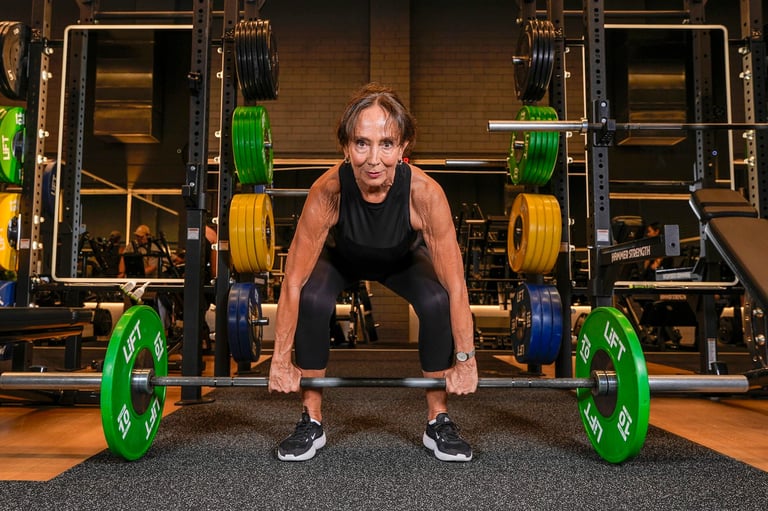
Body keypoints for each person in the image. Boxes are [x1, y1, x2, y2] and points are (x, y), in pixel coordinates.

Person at [268, 83, 478, 462]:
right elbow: (293, 282)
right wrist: (281, 360)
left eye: (387, 144)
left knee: (437, 299)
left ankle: (438, 419)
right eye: (362, 144)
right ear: (346, 147)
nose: (374, 159)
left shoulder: (425, 194)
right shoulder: (328, 190)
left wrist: (465, 360)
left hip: (401, 260)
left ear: (403, 147)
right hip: (342, 259)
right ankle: (311, 419)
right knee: (312, 298)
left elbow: (457, 285)